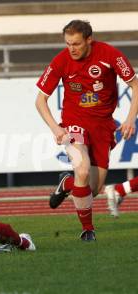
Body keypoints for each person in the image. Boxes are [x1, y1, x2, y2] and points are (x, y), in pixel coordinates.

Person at [35, 20, 138, 241]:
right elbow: (40, 100)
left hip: (102, 127)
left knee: (92, 190)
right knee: (81, 168)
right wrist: (56, 128)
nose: (71, 48)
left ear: (89, 39)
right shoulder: (61, 60)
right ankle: (88, 230)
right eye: (68, 43)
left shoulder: (110, 55)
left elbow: (135, 85)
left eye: (76, 44)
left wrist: (130, 119)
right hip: (74, 123)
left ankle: (66, 183)